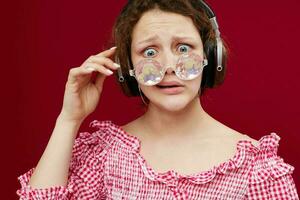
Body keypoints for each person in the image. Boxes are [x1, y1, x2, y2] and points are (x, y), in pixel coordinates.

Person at [17, 0, 299, 199]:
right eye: (149, 52)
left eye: (184, 47)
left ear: (210, 58)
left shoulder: (255, 168)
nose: (169, 66)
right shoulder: (105, 156)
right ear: (128, 69)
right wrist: (69, 120)